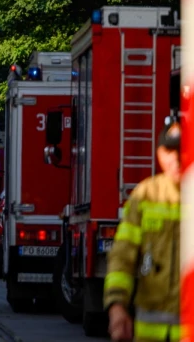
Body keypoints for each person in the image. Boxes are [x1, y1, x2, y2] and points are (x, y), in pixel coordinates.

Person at [104, 120, 181, 342]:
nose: (176, 158)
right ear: (159, 153)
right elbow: (122, 257)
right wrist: (117, 306)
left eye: (182, 150)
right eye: (169, 150)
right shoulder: (144, 196)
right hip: (149, 335)